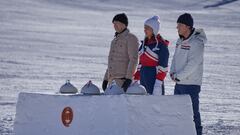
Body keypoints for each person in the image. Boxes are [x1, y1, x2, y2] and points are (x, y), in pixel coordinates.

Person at [170, 13, 207, 135]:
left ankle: (197, 133)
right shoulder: (179, 41)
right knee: (178, 112)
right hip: (179, 83)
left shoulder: (196, 43)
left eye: (179, 25)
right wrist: (172, 72)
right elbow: (175, 58)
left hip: (191, 84)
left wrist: (178, 76)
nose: (177, 28)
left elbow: (193, 64)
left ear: (187, 26)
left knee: (192, 113)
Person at [102, 13, 139, 92]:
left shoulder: (131, 38)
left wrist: (128, 79)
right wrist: (105, 79)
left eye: (116, 23)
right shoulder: (114, 41)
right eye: (113, 24)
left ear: (123, 24)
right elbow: (111, 62)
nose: (114, 26)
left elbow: (134, 59)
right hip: (111, 83)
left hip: (122, 83)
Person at [133, 16, 169, 95]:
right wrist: (136, 77)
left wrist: (158, 83)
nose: (145, 30)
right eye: (144, 27)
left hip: (153, 78)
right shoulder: (144, 44)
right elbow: (141, 63)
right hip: (143, 76)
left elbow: (163, 67)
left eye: (147, 28)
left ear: (154, 30)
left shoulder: (161, 45)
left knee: (155, 103)